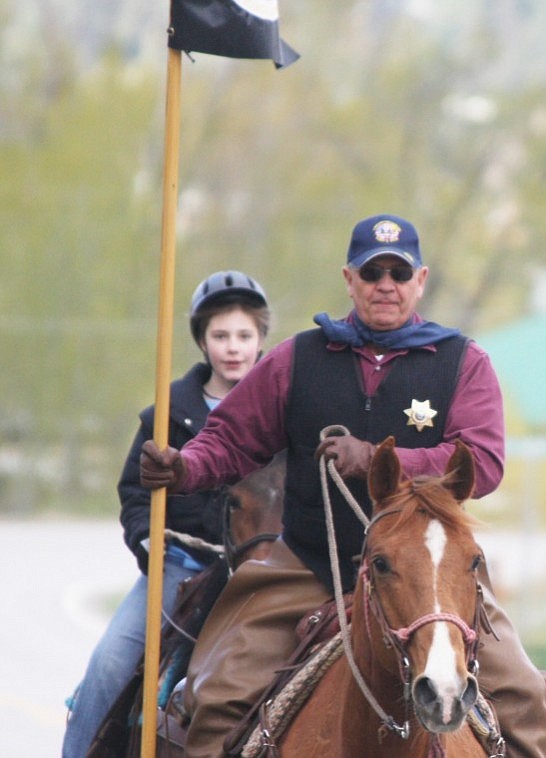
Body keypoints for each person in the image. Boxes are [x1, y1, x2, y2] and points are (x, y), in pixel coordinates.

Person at [140, 214, 546, 758]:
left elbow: (483, 461)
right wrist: (185, 468)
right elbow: (232, 439)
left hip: (432, 574)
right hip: (309, 564)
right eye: (371, 272)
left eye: (398, 273)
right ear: (349, 279)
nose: (385, 284)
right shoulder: (297, 359)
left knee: (527, 702)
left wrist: (382, 460)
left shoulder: (463, 363)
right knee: (217, 696)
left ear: (420, 280)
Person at [62, 270, 271, 758]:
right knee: (110, 665)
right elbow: (134, 490)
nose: (233, 347)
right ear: (202, 340)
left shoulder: (278, 413)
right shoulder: (167, 413)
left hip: (256, 575)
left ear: (262, 340)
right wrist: (146, 540)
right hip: (176, 567)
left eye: (244, 335)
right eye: (220, 335)